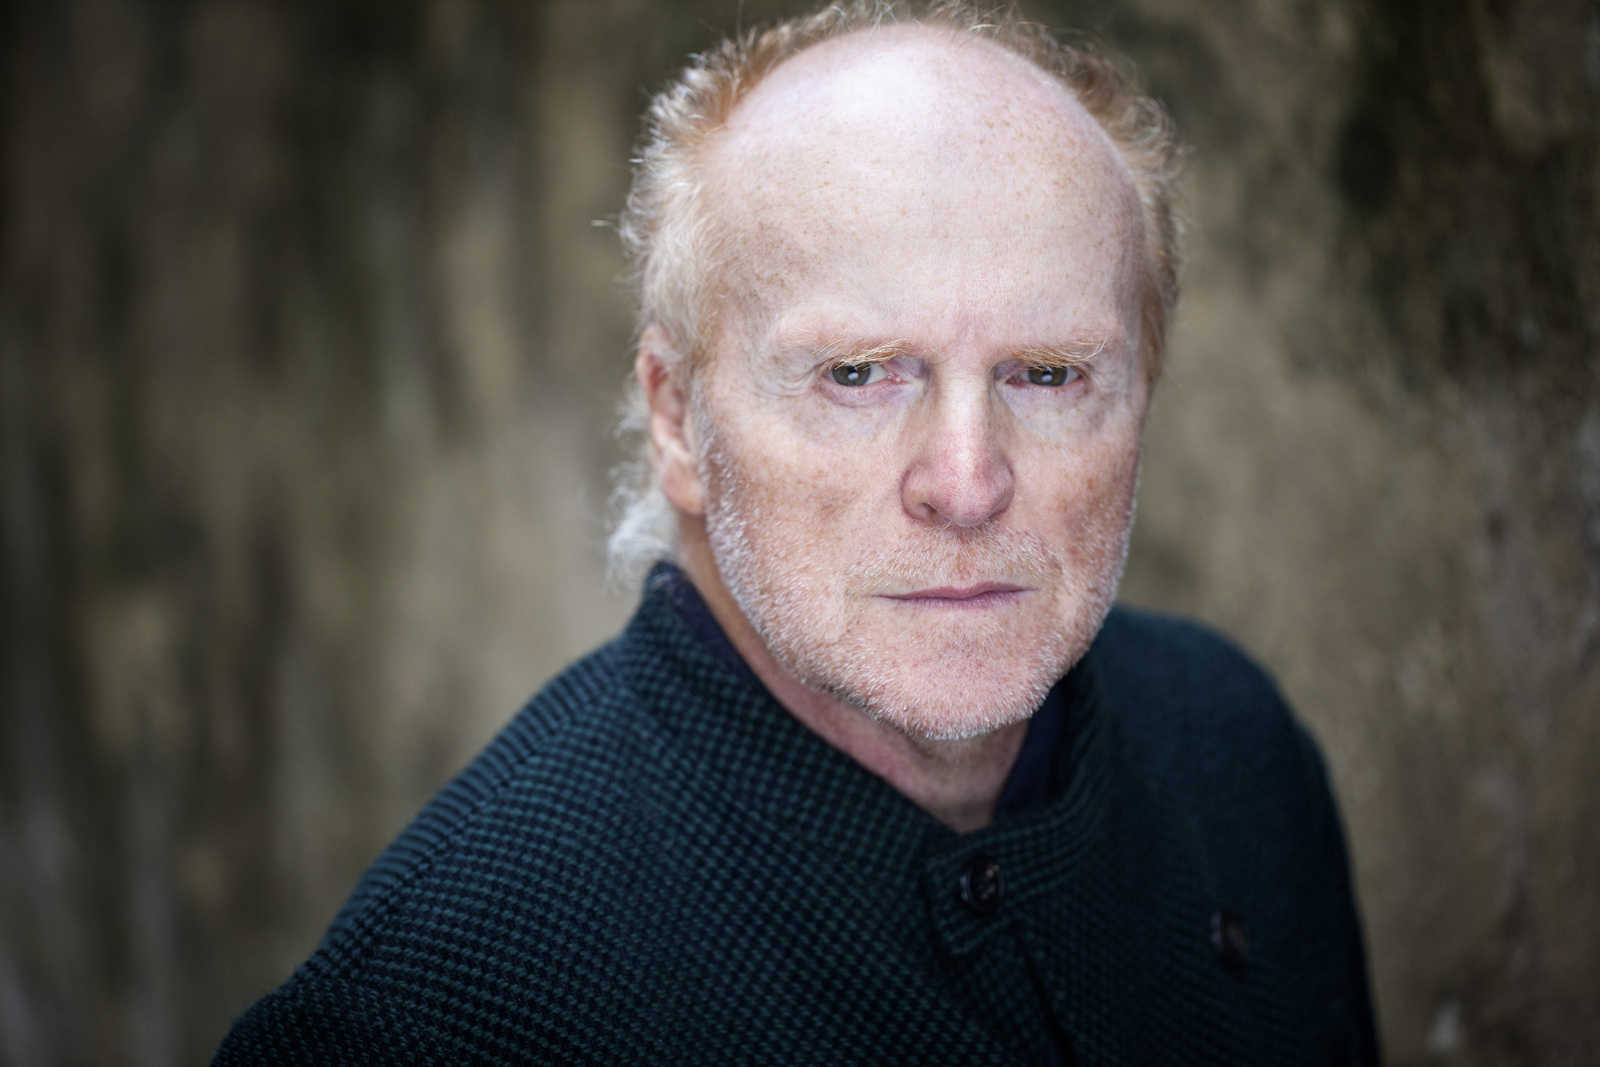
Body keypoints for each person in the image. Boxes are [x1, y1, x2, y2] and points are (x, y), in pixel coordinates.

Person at [216, 2, 1379, 1063]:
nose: (967, 482)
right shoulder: (440, 1008)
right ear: (677, 418)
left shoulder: (1233, 751)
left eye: (1047, 372)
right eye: (857, 374)